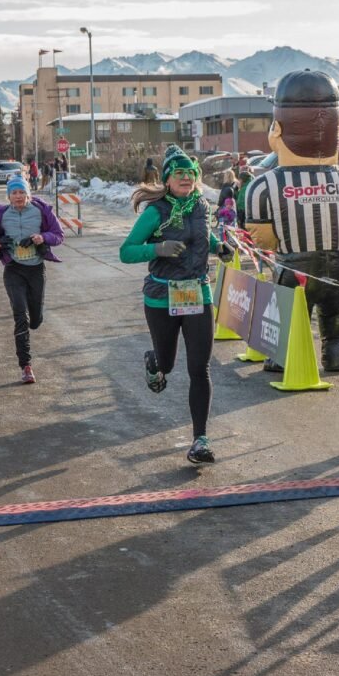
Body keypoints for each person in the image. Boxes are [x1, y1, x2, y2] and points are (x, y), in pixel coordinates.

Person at [244, 70, 339, 373]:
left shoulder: (263, 186)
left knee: (287, 314)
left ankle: (282, 352)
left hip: (293, 266)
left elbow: (263, 238)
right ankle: (338, 350)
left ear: (276, 130)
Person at [120, 146, 232, 464]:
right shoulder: (155, 212)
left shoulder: (201, 205)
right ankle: (155, 361)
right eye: (179, 174)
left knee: (200, 368)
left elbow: (203, 237)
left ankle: (200, 440)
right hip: (161, 295)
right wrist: (158, 249)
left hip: (197, 293)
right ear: (167, 179)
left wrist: (218, 246)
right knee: (168, 365)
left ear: (196, 179)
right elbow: (126, 251)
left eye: (190, 174)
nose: (185, 178)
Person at [0, 176, 63, 384]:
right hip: (13, 270)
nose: (18, 196)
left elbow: (58, 235)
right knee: (21, 316)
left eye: (22, 192)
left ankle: (35, 319)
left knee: (35, 320)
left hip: (36, 270)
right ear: (9, 196)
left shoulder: (41, 211)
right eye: (14, 193)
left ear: (28, 194)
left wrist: (42, 238)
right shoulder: (2, 214)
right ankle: (26, 366)